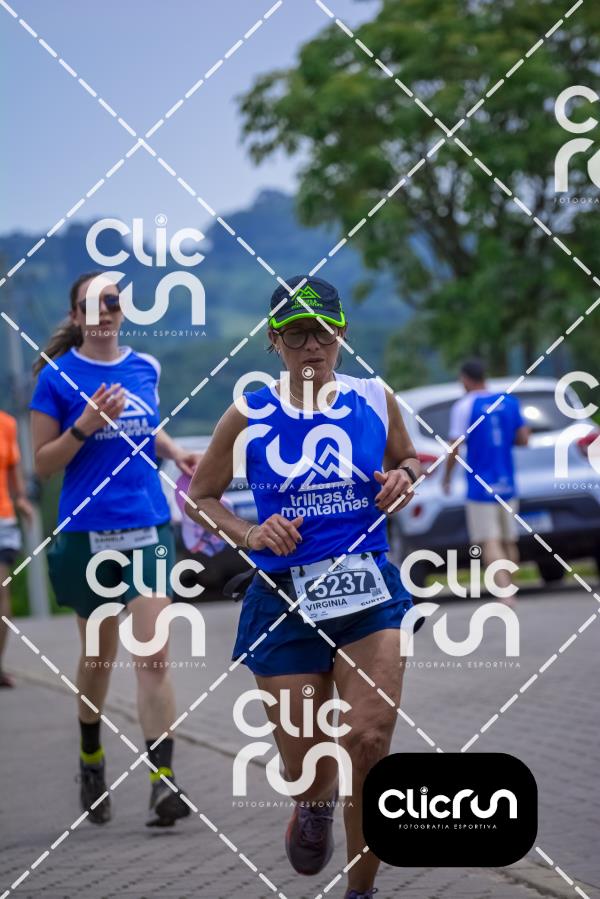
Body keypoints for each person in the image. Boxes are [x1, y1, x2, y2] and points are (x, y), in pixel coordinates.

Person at [187, 275, 420, 899]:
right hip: (284, 601)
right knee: (307, 766)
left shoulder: (374, 397)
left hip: (367, 592)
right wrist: (249, 532)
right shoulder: (249, 412)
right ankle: (314, 804)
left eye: (322, 333)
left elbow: (408, 458)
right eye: (295, 335)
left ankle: (360, 892)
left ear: (341, 334)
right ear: (274, 341)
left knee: (368, 741)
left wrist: (403, 476)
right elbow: (200, 496)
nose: (311, 346)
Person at [30, 272, 200, 827]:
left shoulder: (145, 367)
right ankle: (90, 756)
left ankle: (162, 781)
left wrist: (175, 451)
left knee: (153, 656)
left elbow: (145, 429)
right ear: (76, 317)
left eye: (112, 302)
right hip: (88, 533)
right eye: (92, 305)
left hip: (147, 526)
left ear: (122, 311)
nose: (104, 312)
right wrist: (83, 426)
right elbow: (43, 463)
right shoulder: (56, 377)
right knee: (98, 659)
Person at [443, 359, 530, 598]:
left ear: (464, 379)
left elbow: (454, 447)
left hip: (480, 485)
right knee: (509, 540)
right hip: (508, 482)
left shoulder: (464, 406)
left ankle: (505, 594)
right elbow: (524, 439)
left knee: (489, 540)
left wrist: (446, 477)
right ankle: (510, 587)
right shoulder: (509, 402)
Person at [0, 410, 34, 687]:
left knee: (2, 595)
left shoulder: (7, 424)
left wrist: (21, 498)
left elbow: (12, 466)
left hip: (3, 519)